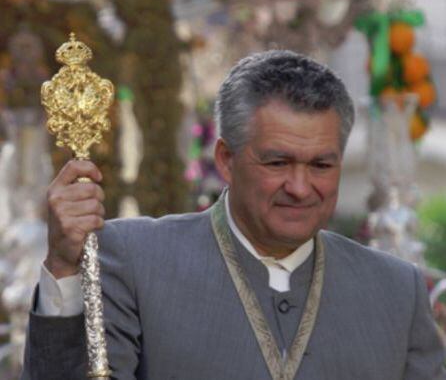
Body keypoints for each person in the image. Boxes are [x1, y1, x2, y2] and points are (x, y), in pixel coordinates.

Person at [22, 50, 445, 380]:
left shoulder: (395, 290)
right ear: (226, 159)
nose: (300, 188)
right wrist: (63, 266)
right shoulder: (132, 259)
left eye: (321, 165)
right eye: (277, 163)